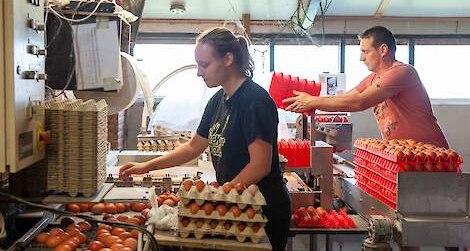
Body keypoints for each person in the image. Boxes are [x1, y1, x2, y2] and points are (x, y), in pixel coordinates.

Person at [119, 27, 291, 251]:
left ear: (228, 59)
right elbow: (193, 147)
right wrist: (146, 166)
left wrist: (219, 198)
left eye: (205, 64)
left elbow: (260, 166)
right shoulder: (218, 100)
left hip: (260, 209)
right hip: (235, 203)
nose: (199, 72)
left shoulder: (254, 101)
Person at [283, 25, 449, 149]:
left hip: (429, 154)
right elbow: (345, 99)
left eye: (365, 51)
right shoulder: (372, 79)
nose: (361, 58)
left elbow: (359, 102)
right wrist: (307, 103)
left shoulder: (402, 72)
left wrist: (313, 102)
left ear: (383, 50)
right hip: (402, 152)